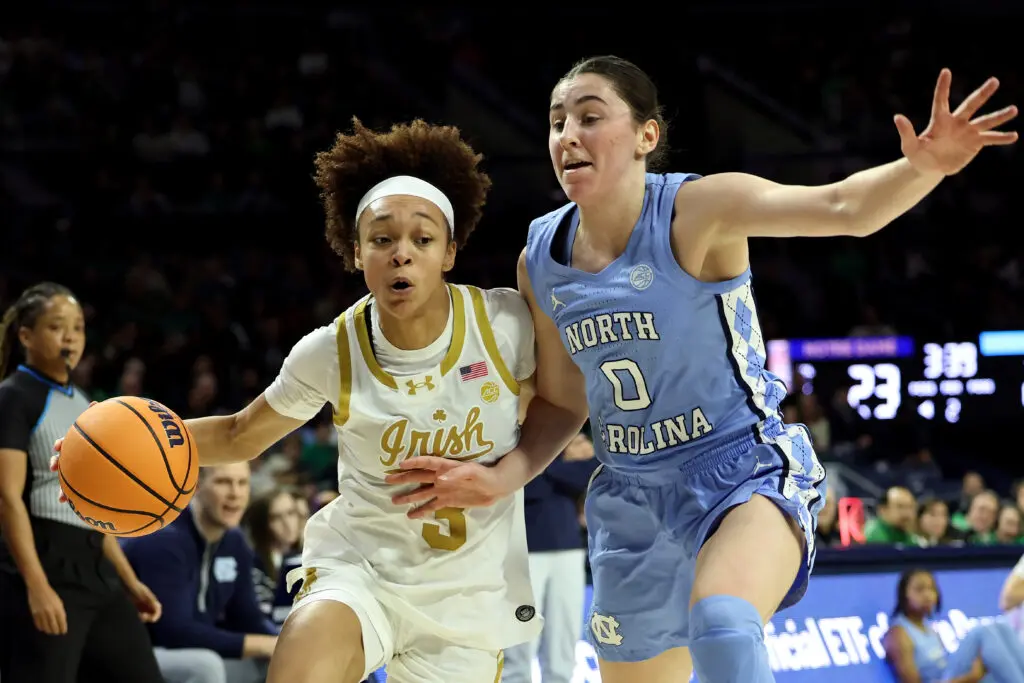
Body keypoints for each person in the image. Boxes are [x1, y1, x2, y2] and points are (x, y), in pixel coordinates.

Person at [388, 56, 1018, 683]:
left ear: (646, 137)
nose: (567, 136)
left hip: (737, 468)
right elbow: (561, 400)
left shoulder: (702, 208)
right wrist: (503, 477)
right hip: (629, 493)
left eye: (589, 117)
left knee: (723, 626)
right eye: (557, 123)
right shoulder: (541, 258)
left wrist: (922, 167)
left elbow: (843, 209)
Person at [57, 118, 579, 683]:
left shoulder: (502, 326)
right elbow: (239, 434)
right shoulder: (330, 350)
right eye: (382, 240)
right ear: (356, 253)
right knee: (301, 664)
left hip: (465, 598)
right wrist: (116, 450)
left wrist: (506, 477)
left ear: (450, 251)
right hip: (361, 571)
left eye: (422, 239)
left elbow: (564, 405)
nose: (401, 254)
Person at [0, 282, 166, 683]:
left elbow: (95, 506)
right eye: (57, 326)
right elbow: (6, 498)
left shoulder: (85, 401)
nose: (70, 336)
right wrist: (36, 587)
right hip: (44, 563)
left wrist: (129, 581)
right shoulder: (13, 397)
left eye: (77, 327)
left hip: (96, 569)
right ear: (26, 336)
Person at [120, 462, 280, 683]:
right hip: (137, 651)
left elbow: (248, 616)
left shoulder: (233, 540)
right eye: (223, 482)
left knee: (279, 660)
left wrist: (283, 643)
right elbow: (174, 631)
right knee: (205, 666)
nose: (235, 493)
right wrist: (262, 645)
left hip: (190, 648)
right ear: (195, 486)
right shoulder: (165, 538)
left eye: (242, 483)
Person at [884, 568, 1024, 683]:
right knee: (982, 632)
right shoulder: (898, 634)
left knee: (1002, 628)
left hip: (950, 676)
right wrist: (969, 678)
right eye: (919, 589)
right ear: (904, 595)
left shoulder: (929, 628)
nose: (927, 595)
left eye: (931, 589)